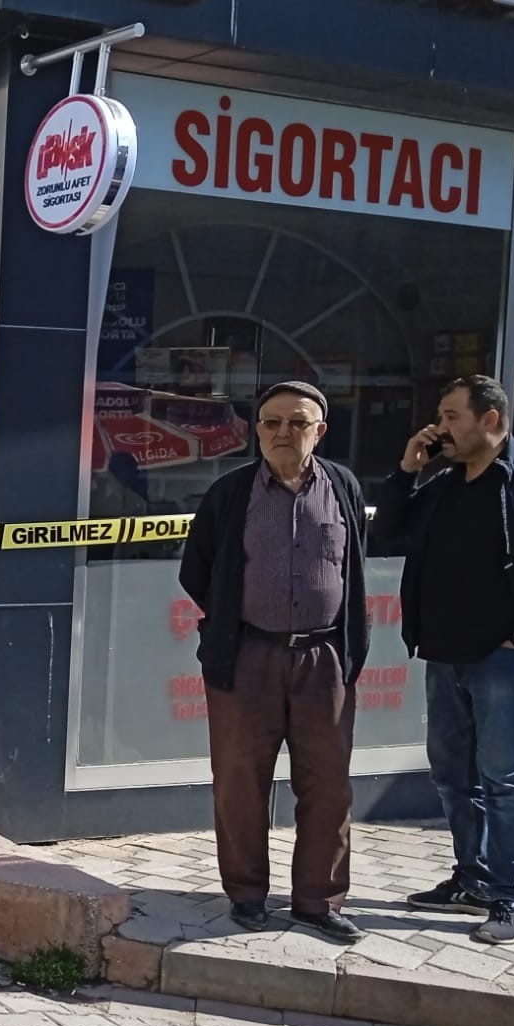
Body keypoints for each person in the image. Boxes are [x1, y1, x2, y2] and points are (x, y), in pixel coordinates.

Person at [374, 374, 514, 944]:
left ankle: (510, 894)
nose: (440, 426)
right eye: (441, 416)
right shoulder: (444, 484)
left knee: (504, 778)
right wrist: (407, 469)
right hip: (444, 654)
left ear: (490, 419)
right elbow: (389, 531)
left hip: (506, 661)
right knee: (452, 776)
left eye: (450, 415)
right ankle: (471, 878)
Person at [180, 383, 372, 944]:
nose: (283, 433)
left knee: (329, 784)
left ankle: (319, 900)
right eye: (271, 423)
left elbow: (354, 566)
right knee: (240, 781)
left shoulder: (342, 487)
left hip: (324, 659)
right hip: (248, 657)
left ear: (321, 430)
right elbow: (199, 571)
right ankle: (246, 894)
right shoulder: (229, 493)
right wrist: (231, 626)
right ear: (256, 429)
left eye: (297, 422)